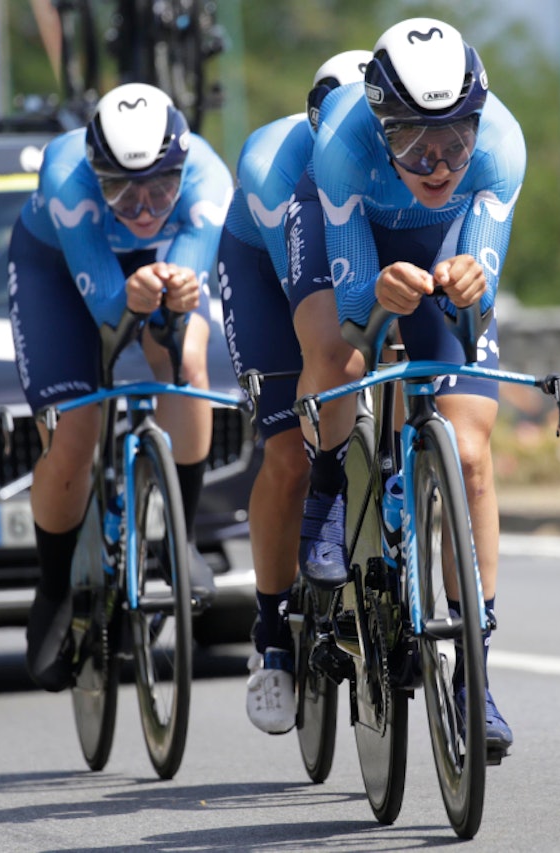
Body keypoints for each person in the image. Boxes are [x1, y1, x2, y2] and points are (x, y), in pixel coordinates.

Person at [303, 17, 527, 758]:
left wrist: (473, 280)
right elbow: (355, 311)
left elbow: (482, 282)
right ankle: (334, 485)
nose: (437, 164)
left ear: (478, 123)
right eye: (411, 144)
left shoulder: (501, 144)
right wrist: (374, 295)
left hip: (442, 250)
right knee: (340, 353)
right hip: (367, 248)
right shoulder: (341, 145)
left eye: (455, 140)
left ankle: (476, 676)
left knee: (468, 456)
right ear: (379, 126)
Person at [8, 82, 232, 692]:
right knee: (77, 430)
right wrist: (130, 303)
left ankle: (179, 538)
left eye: (161, 187)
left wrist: (174, 301)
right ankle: (53, 587)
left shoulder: (211, 181)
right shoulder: (66, 178)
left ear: (182, 169)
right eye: (121, 189)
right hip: (56, 272)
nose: (141, 208)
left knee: (186, 360)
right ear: (94, 173)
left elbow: (175, 307)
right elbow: (110, 316)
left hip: (157, 263)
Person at [216, 49, 372, 734]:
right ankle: (273, 633)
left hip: (355, 259)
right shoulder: (276, 165)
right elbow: (321, 324)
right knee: (287, 455)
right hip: (267, 273)